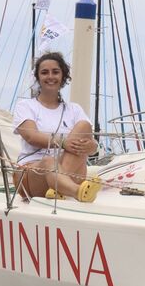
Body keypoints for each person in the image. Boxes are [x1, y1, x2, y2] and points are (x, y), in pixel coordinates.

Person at [12, 52, 101, 202]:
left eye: (55, 72)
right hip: (33, 172)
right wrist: (63, 142)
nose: (50, 76)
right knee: (48, 161)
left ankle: (59, 188)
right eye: (44, 72)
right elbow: (31, 136)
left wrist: (92, 147)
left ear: (63, 76)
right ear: (38, 78)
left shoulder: (74, 109)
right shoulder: (26, 106)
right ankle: (78, 191)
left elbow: (90, 145)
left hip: (63, 171)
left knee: (84, 126)